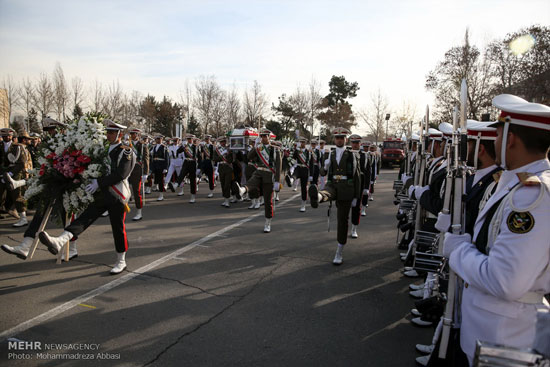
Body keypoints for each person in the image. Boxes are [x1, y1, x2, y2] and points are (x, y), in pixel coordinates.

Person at [443, 94, 550, 365]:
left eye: (499, 135)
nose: (495, 142)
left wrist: (458, 251)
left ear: (510, 139)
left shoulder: (532, 196)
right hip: (496, 330)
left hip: (505, 334)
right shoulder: (519, 184)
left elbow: (505, 280)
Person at [38, 119, 136, 275]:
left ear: (120, 134)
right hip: (103, 192)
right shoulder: (104, 149)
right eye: (108, 132)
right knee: (84, 218)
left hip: (117, 194)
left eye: (112, 132)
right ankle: (61, 240)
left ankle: (121, 260)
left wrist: (99, 181)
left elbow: (121, 174)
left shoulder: (126, 151)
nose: (109, 135)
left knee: (118, 228)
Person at [309, 127, 361, 265]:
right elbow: (322, 173)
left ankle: (339, 251)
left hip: (346, 188)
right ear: (334, 139)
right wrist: (325, 167)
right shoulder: (329, 154)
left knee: (342, 220)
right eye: (337, 138)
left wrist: (356, 196)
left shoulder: (351, 155)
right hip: (333, 184)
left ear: (345, 139)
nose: (339, 140)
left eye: (341, 138)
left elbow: (357, 177)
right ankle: (317, 198)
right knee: (326, 192)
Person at [234, 129, 281, 233]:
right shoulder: (258, 148)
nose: (263, 138)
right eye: (262, 136)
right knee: (251, 182)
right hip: (259, 171)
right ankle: (242, 190)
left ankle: (267, 222)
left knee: (268, 201)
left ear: (269, 137)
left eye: (265, 136)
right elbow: (248, 158)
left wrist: (277, 181)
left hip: (269, 175)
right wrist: (255, 147)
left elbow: (278, 165)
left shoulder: (275, 149)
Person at [128, 127, 149, 221]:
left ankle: (139, 212)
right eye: (131, 134)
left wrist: (145, 173)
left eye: (134, 134)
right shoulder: (128, 144)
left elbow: (146, 159)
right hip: (128, 168)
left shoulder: (143, 145)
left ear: (138, 135)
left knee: (136, 191)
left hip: (137, 168)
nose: (132, 136)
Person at [176, 134, 200, 203]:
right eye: (188, 139)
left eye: (191, 139)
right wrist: (182, 146)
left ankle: (193, 196)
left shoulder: (196, 147)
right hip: (186, 162)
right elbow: (178, 151)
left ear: (193, 139)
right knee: (182, 174)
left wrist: (199, 167)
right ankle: (176, 184)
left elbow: (199, 157)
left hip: (193, 163)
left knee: (192, 180)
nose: (189, 140)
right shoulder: (185, 146)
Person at [214, 136, 236, 207]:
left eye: (224, 142)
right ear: (220, 143)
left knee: (227, 184)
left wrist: (228, 153)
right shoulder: (217, 150)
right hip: (221, 167)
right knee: (223, 184)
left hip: (228, 168)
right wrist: (222, 155)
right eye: (221, 142)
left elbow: (232, 160)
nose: (223, 143)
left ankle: (227, 200)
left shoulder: (230, 149)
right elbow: (215, 159)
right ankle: (225, 199)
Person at [292, 137, 311, 212]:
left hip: (305, 170)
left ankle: (303, 204)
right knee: (293, 176)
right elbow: (293, 159)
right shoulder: (296, 151)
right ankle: (291, 180)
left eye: (303, 142)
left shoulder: (308, 152)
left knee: (304, 188)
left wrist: (311, 175)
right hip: (298, 168)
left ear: (305, 143)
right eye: (301, 142)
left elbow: (311, 164)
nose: (302, 143)